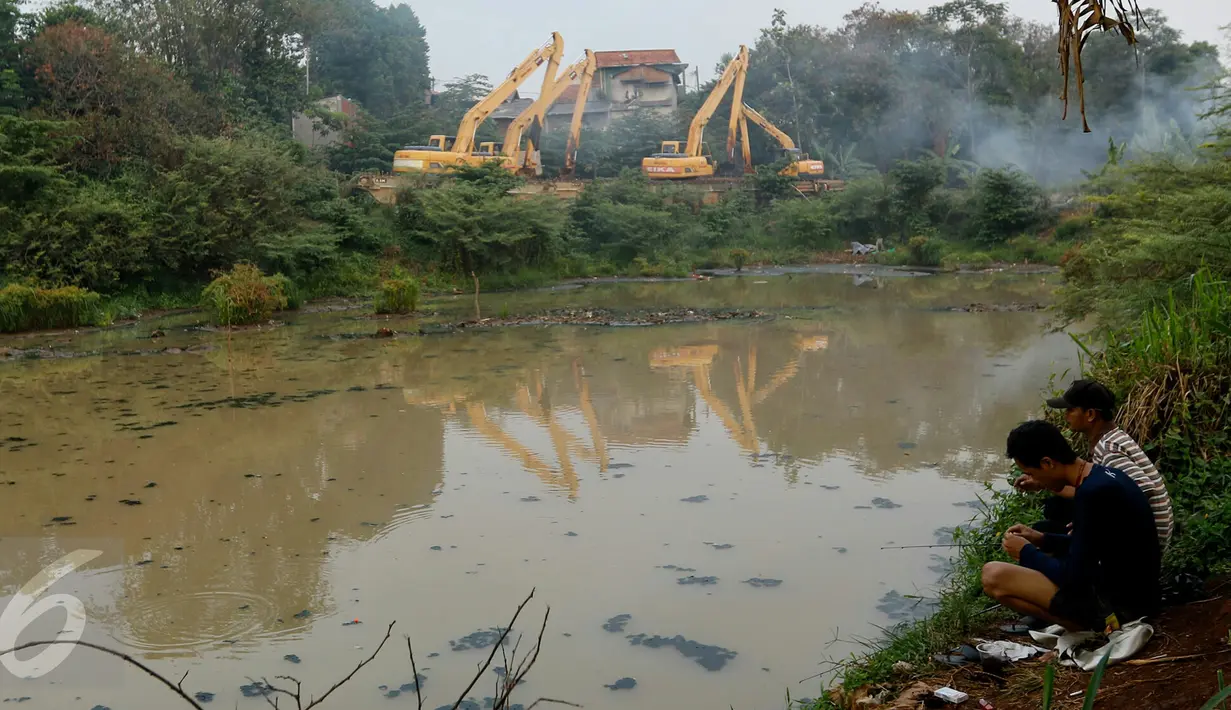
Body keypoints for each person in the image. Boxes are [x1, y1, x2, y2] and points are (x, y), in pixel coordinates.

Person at [982, 421, 1161, 632]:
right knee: (1046, 553)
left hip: (1120, 609)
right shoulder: (1104, 476)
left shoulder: (1091, 495)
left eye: (1031, 472)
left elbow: (1074, 577)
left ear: (1047, 463)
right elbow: (1092, 545)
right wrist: (1040, 538)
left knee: (993, 575)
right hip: (1139, 596)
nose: (1033, 479)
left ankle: (1085, 629)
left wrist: (1025, 552)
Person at [1015, 379, 1174, 548]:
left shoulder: (1108, 450)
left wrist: (1093, 522)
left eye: (1071, 410)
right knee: (1056, 507)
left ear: (1090, 414)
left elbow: (1142, 490)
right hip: (1144, 529)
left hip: (1148, 539)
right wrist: (1044, 483)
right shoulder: (1110, 438)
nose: (1066, 415)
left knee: (1045, 529)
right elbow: (1097, 492)